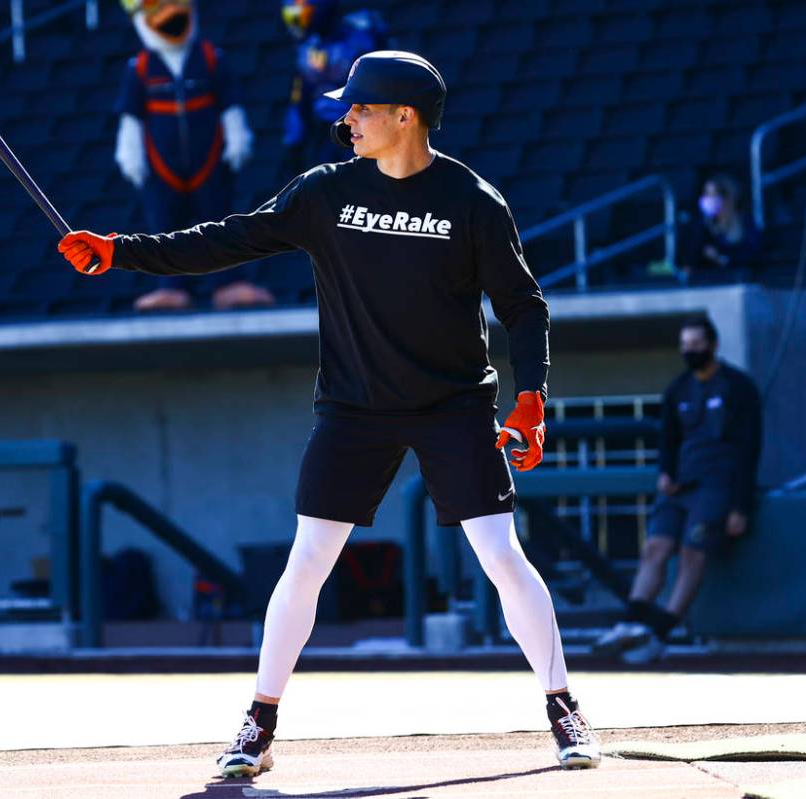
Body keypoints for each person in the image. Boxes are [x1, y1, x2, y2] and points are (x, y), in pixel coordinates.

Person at [58, 50, 602, 775]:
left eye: (359, 107)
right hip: (354, 407)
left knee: (500, 554)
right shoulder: (322, 193)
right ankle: (258, 723)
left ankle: (563, 707)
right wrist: (119, 251)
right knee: (308, 558)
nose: (344, 117)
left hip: (452, 403)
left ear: (403, 116)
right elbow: (227, 239)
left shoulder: (472, 201)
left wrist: (531, 395)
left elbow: (522, 308)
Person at [594, 317, 762, 664]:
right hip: (680, 484)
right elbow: (667, 440)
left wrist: (740, 507)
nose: (690, 352)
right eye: (685, 345)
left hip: (717, 484)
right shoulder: (677, 389)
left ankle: (660, 632)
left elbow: (749, 447)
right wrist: (666, 473)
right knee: (655, 546)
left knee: (692, 553)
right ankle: (632, 623)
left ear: (712, 345)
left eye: (696, 345)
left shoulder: (737, 386)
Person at [114, 0, 274, 312]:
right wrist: (129, 151)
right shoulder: (141, 68)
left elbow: (230, 103)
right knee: (164, 225)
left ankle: (228, 283)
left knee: (220, 223)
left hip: (210, 162)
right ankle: (171, 287)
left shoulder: (212, 59)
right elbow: (131, 117)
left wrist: (237, 133)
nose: (169, 15)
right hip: (161, 167)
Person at [281, 0, 388, 170]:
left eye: (301, 15)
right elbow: (300, 98)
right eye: (292, 16)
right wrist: (294, 141)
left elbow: (381, 89)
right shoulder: (305, 48)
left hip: (363, 131)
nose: (297, 24)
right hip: (324, 135)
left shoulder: (361, 38)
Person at [679, 175, 761, 283]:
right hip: (707, 282)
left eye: (713, 195)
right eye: (706, 194)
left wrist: (722, 258)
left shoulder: (745, 222)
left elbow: (751, 255)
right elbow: (688, 260)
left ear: (727, 198)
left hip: (736, 279)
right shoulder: (702, 225)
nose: (708, 199)